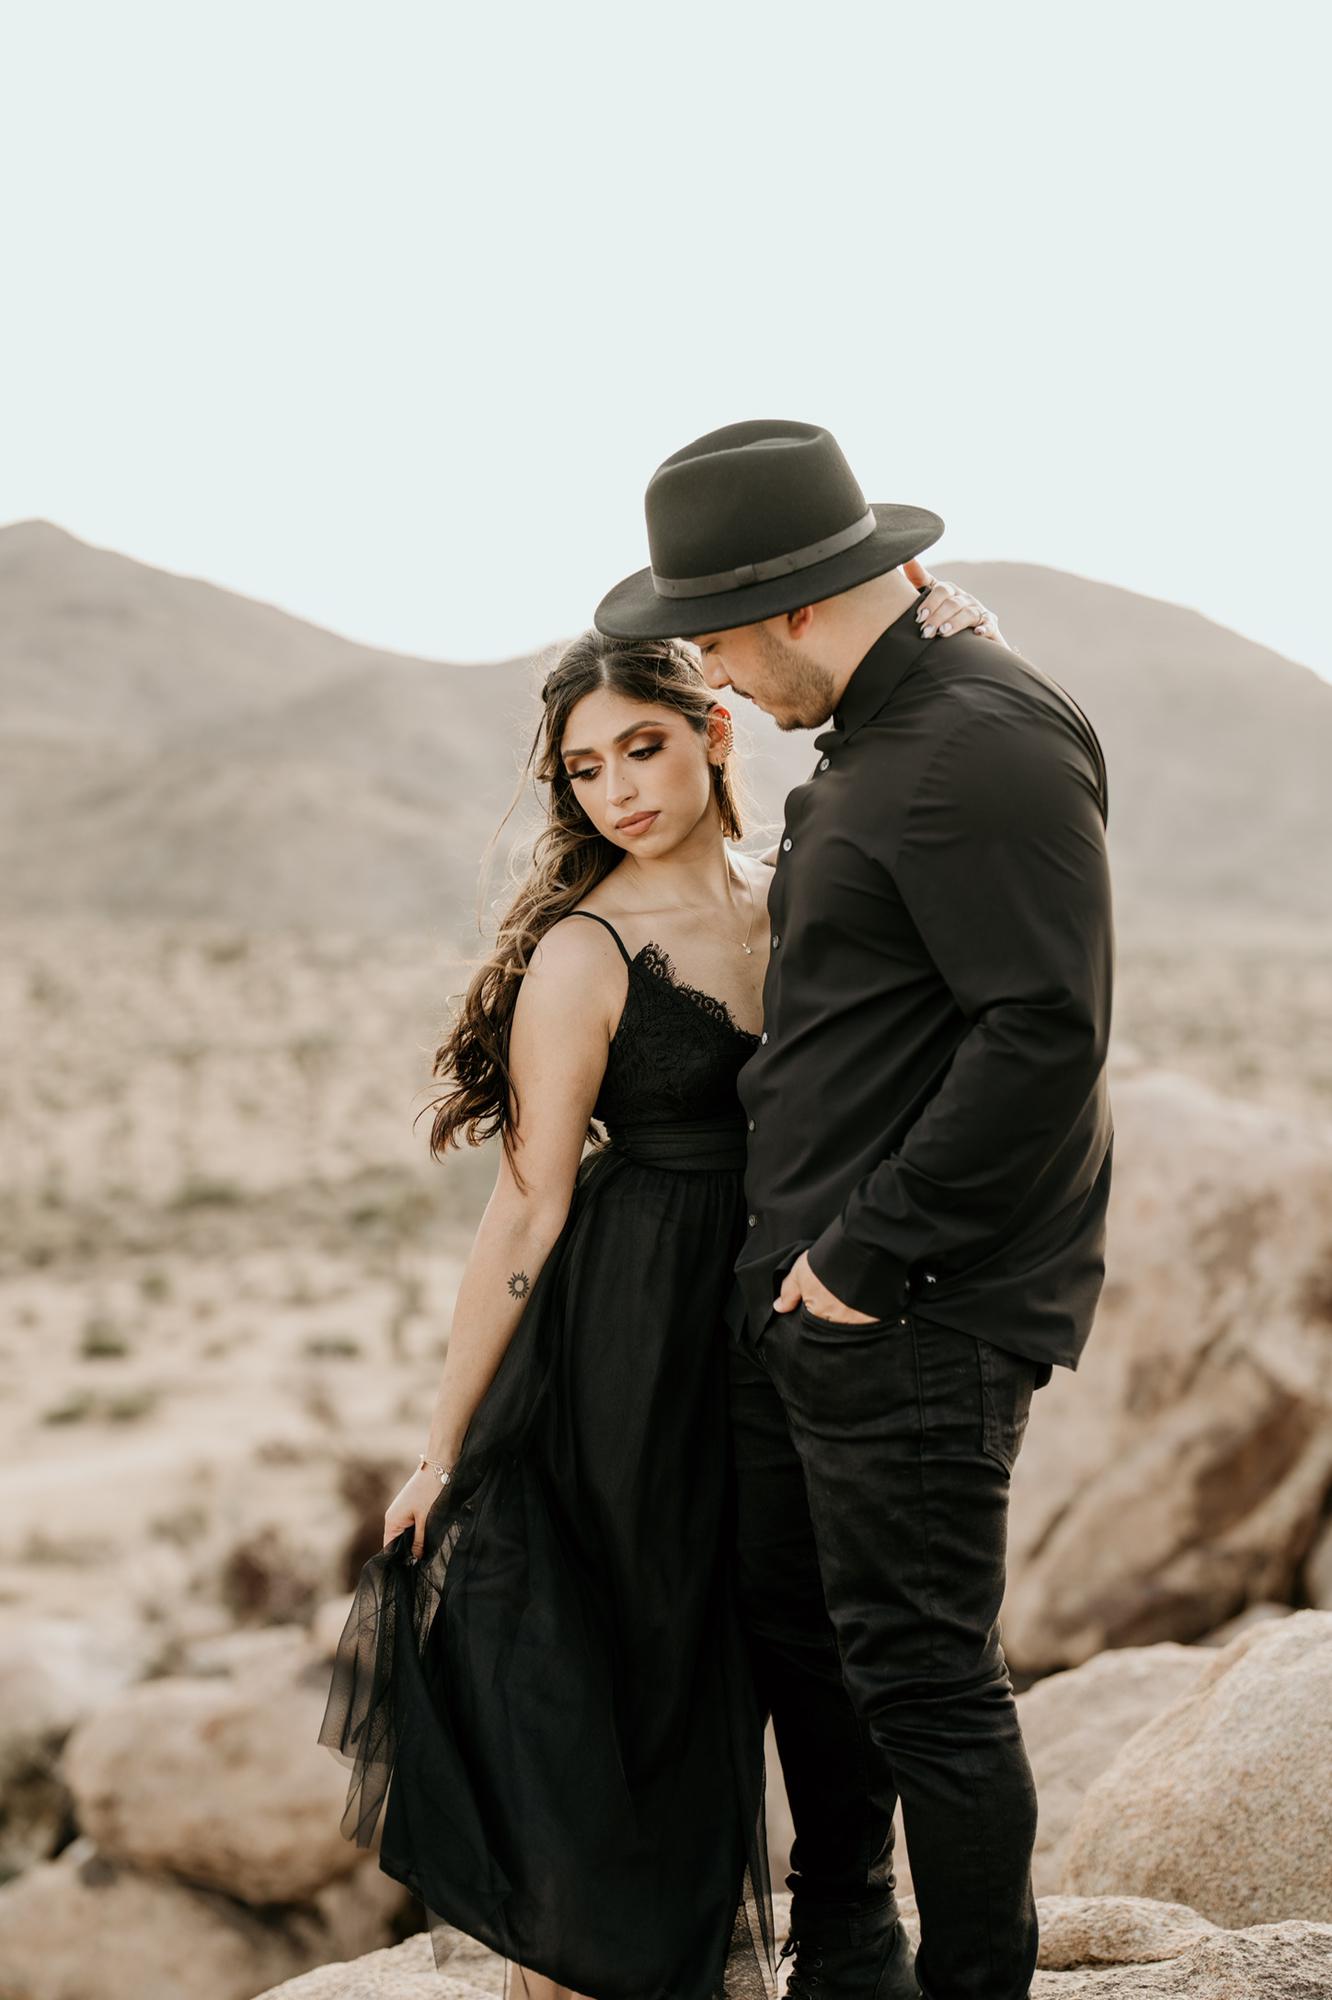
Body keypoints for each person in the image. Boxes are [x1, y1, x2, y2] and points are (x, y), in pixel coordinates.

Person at [316, 563, 1005, 2000]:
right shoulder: (586, 951)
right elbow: (525, 1208)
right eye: (585, 767)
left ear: (714, 734)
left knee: (820, 1640)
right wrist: (445, 1444)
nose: (618, 789)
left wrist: (973, 638)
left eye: (643, 746)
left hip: (794, 1316)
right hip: (636, 1332)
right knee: (659, 1664)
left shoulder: (798, 885)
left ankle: (845, 1932)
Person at [593, 418, 1116, 2000]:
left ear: (807, 610)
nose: (721, 685)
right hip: (809, 1291)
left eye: (724, 648)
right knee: (804, 1647)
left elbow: (1045, 1033)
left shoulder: (977, 744)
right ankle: (850, 1960)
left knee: (925, 1684)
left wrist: (865, 1260)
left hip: (912, 1303)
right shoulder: (901, 721)